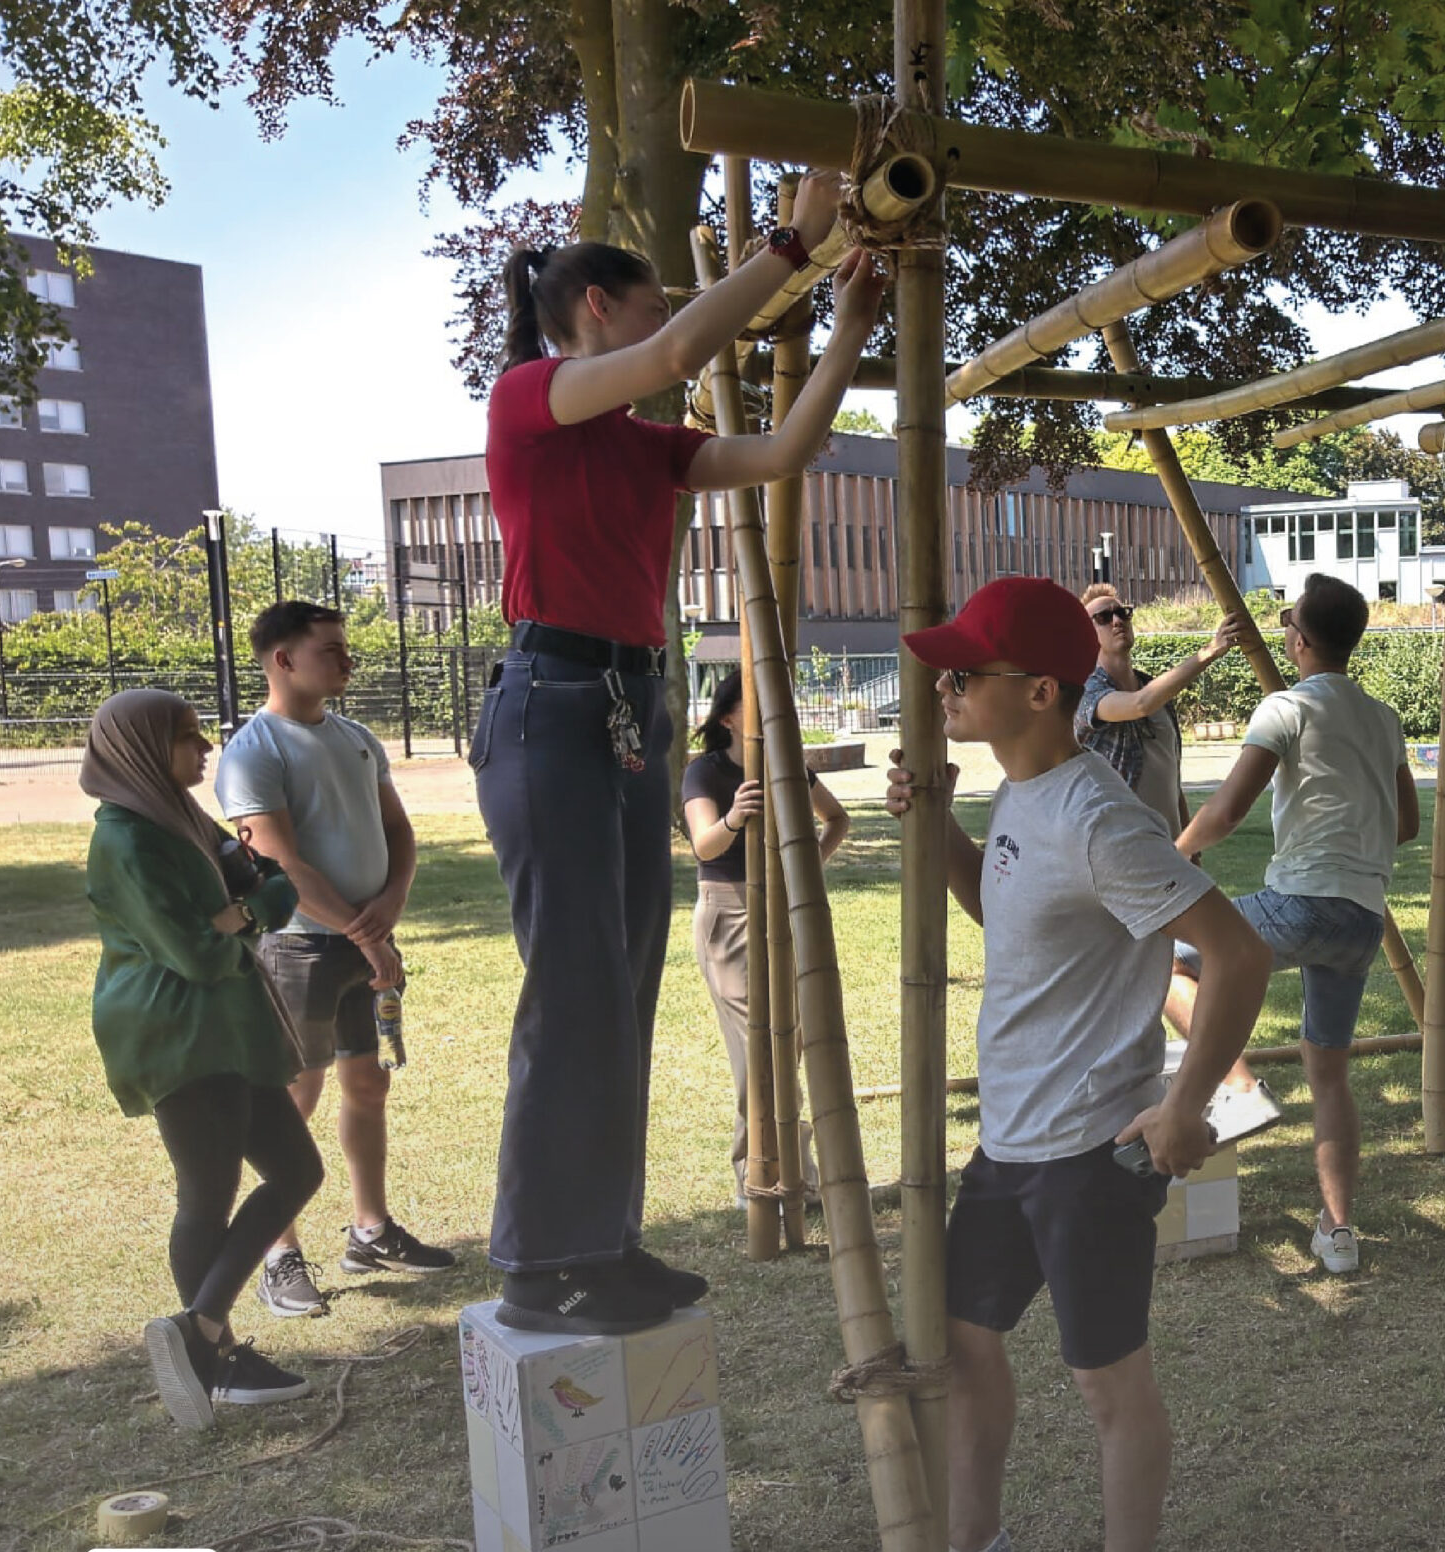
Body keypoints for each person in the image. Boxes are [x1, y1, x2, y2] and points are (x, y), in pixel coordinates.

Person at [475, 179, 885, 1334]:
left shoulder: (646, 445)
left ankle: (600, 1244)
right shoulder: (527, 399)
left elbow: (784, 449)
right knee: (573, 986)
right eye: (656, 301)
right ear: (598, 308)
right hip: (549, 702)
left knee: (625, 987)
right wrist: (794, 243)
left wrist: (847, 321)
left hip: (618, 707)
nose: (676, 317)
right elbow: (678, 350)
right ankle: (535, 1259)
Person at [862, 576, 1270, 1552]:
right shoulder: (1019, 795)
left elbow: (1235, 956)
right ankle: (976, 1547)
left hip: (1093, 1149)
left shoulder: (1099, 816)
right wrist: (937, 823)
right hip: (1010, 1142)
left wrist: (1187, 1106)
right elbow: (1011, 921)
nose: (943, 689)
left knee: (1106, 1383)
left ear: (1039, 690)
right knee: (965, 1341)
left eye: (963, 675)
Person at [83, 690, 325, 1430]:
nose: (206, 748)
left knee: (297, 1171)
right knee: (208, 1192)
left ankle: (200, 1333)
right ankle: (213, 1359)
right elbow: (194, 955)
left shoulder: (184, 819)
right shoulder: (127, 838)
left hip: (231, 1026)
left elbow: (277, 892)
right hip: (176, 1032)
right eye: (188, 737)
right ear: (142, 750)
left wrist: (238, 914)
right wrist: (238, 916)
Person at [1166, 574, 1420, 1275]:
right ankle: (1338, 1233)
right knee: (1329, 1073)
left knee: (1170, 958)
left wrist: (1173, 855)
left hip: (1300, 903)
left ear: (1299, 640)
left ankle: (1241, 1094)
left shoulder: (1286, 708)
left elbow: (1226, 811)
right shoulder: (1384, 717)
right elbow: (1407, 824)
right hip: (1361, 920)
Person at [215, 599, 453, 1320]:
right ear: (283, 660)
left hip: (358, 944)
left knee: (367, 1085)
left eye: (345, 647)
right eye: (331, 649)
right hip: (299, 951)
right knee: (294, 1102)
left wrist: (391, 906)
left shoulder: (355, 737)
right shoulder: (255, 750)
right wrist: (366, 933)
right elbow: (277, 866)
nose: (347, 659)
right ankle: (277, 1253)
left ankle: (370, 1230)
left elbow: (399, 832)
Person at [681, 669, 849, 1209]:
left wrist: (804, 873)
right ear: (729, 718)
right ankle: (758, 1177)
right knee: (757, 1053)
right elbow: (704, 846)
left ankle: (794, 1176)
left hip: (783, 915)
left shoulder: (788, 767)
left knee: (790, 1043)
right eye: (759, 706)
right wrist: (734, 817)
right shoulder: (703, 772)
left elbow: (837, 821)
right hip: (727, 918)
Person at [1074, 583, 1240, 829]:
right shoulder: (1087, 692)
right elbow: (1140, 705)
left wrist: (1187, 840)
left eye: (1122, 613)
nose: (1117, 621)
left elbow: (1170, 775)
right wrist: (1210, 652)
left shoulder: (1155, 689)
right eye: (1103, 618)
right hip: (1120, 847)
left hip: (1168, 847)